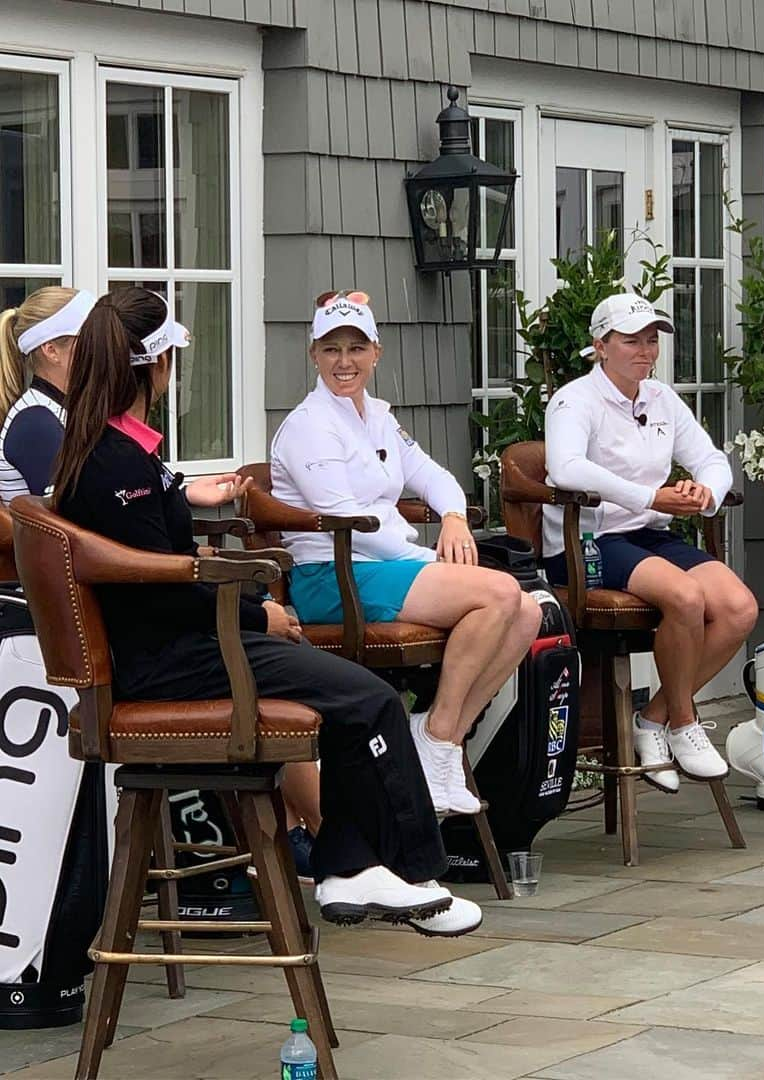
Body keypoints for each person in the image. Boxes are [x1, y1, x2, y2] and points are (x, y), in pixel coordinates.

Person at [51, 286, 480, 936]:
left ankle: (350, 867)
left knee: (348, 702)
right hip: (173, 662)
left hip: (173, 647)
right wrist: (259, 616)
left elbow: (155, 544)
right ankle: (413, 874)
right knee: (371, 701)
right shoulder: (117, 466)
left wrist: (187, 499)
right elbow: (163, 584)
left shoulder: (115, 452)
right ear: (158, 365)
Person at [0, 286, 320, 877]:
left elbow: (123, 512)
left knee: (268, 658)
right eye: (86, 346)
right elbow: (96, 523)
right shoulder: (43, 425)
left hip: (113, 605)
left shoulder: (72, 423)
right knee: (270, 661)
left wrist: (180, 498)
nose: (102, 357)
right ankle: (310, 840)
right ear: (49, 354)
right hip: (64, 621)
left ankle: (292, 836)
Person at [271, 290, 542, 816]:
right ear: (313, 356)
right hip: (334, 575)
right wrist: (427, 558)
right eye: (331, 350)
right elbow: (350, 519)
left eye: (355, 348)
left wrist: (456, 517)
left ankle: (441, 737)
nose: (343, 362)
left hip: (386, 565)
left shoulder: (378, 418)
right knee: (499, 594)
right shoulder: (309, 425)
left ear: (376, 352)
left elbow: (434, 477)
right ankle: (439, 734)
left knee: (527, 612)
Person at [542, 292, 758, 793]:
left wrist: (705, 494)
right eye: (630, 340)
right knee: (685, 597)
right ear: (601, 345)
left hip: (648, 532)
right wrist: (651, 495)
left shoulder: (662, 399)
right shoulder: (574, 400)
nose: (645, 349)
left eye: (651, 339)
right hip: (589, 542)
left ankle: (654, 717)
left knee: (739, 607)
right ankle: (683, 721)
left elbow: (712, 460)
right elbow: (565, 468)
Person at [0, 286, 93, 503]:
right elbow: (81, 512)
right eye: (90, 337)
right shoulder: (35, 423)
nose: (103, 345)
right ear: (51, 351)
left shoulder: (54, 410)